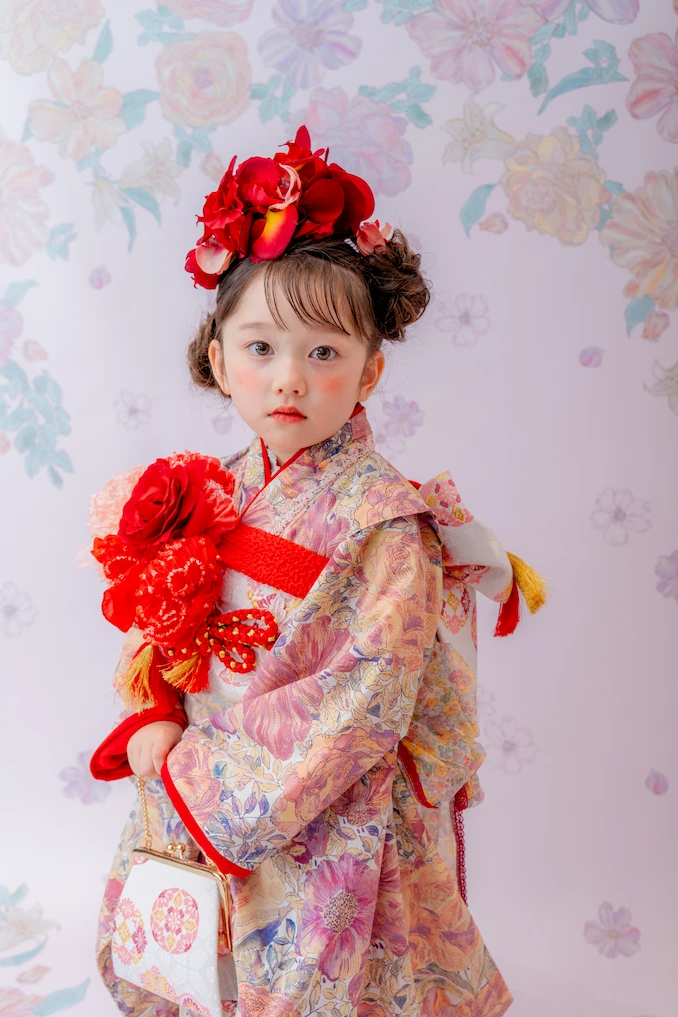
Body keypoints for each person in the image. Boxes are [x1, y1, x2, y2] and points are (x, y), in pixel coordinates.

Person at [89, 127, 544, 1017]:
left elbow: (373, 690)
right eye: (261, 348)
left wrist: (211, 769)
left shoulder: (385, 519)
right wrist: (154, 709)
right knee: (192, 956)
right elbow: (157, 621)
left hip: (333, 797)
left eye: (324, 352)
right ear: (218, 360)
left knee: (324, 978)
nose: (289, 378)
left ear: (370, 371)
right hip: (196, 768)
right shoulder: (207, 490)